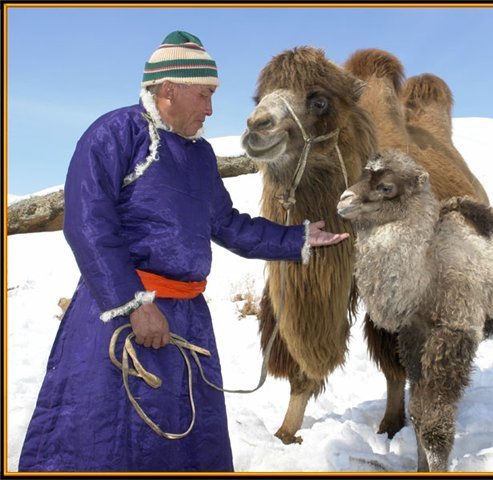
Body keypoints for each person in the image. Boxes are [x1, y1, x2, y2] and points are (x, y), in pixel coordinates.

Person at [18, 31, 349, 472]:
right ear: (169, 89)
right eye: (205, 94)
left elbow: (227, 225)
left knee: (186, 442)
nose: (212, 109)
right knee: (103, 439)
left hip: (187, 321)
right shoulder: (114, 135)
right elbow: (89, 227)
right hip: (120, 317)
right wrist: (134, 305)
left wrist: (298, 239)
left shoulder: (200, 156)